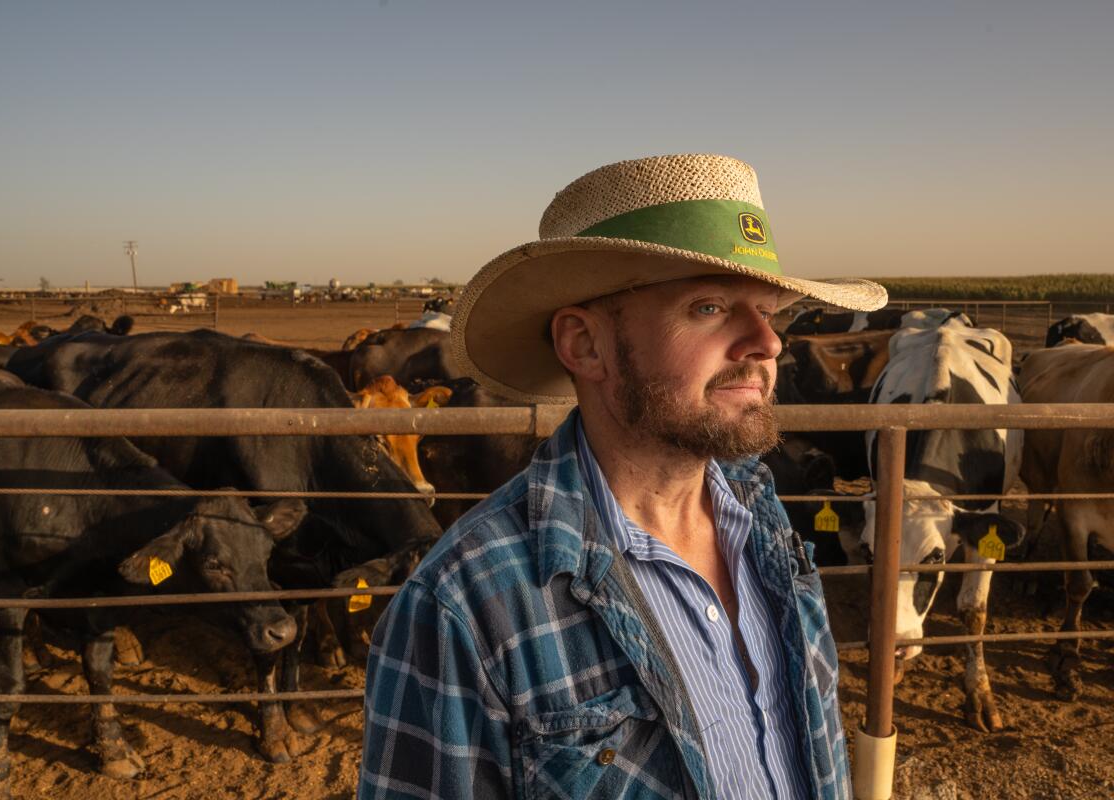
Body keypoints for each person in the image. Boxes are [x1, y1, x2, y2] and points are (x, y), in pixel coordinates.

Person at [358, 154, 887, 799]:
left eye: (771, 311)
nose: (767, 343)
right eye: (710, 307)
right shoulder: (463, 607)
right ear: (585, 345)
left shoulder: (765, 520)